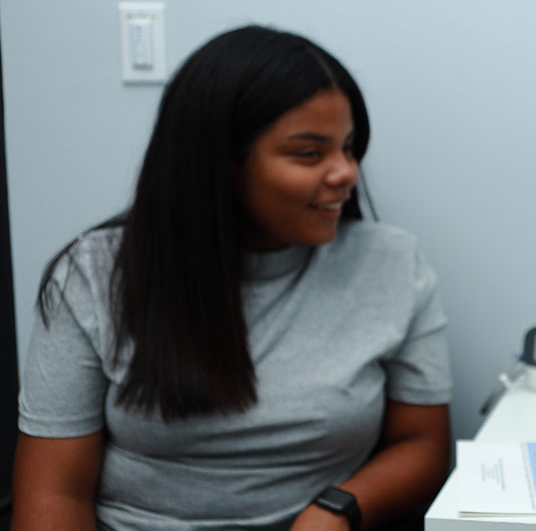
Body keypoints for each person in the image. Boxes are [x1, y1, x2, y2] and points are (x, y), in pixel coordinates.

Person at [13, 26, 452, 530]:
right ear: (222, 163)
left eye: (349, 147)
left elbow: (422, 444)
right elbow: (53, 497)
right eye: (310, 153)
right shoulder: (93, 276)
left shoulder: (392, 264)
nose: (346, 172)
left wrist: (338, 508)